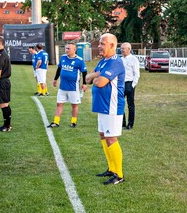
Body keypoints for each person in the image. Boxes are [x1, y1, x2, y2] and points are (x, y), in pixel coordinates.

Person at [85, 33, 125, 185]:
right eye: (99, 43)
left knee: (111, 138)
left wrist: (96, 77)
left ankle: (119, 174)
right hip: (102, 105)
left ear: (112, 46)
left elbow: (99, 83)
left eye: (103, 44)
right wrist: (96, 75)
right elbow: (88, 79)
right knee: (103, 136)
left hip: (112, 106)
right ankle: (111, 168)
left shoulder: (115, 62)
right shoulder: (103, 62)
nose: (99, 46)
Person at [48, 43, 88, 128]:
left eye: (68, 48)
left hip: (73, 87)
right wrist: (55, 79)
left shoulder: (79, 60)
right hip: (62, 87)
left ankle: (73, 121)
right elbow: (59, 69)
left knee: (74, 105)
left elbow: (84, 72)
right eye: (66, 48)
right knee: (59, 104)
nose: (66, 50)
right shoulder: (63, 57)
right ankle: (56, 122)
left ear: (74, 49)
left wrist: (84, 83)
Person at [120, 42, 140, 130]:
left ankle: (130, 124)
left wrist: (132, 85)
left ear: (128, 49)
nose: (122, 50)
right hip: (121, 84)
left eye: (123, 49)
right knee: (120, 103)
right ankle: (122, 122)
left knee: (130, 105)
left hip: (129, 83)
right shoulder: (120, 59)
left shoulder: (133, 59)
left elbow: (137, 74)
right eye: (121, 49)